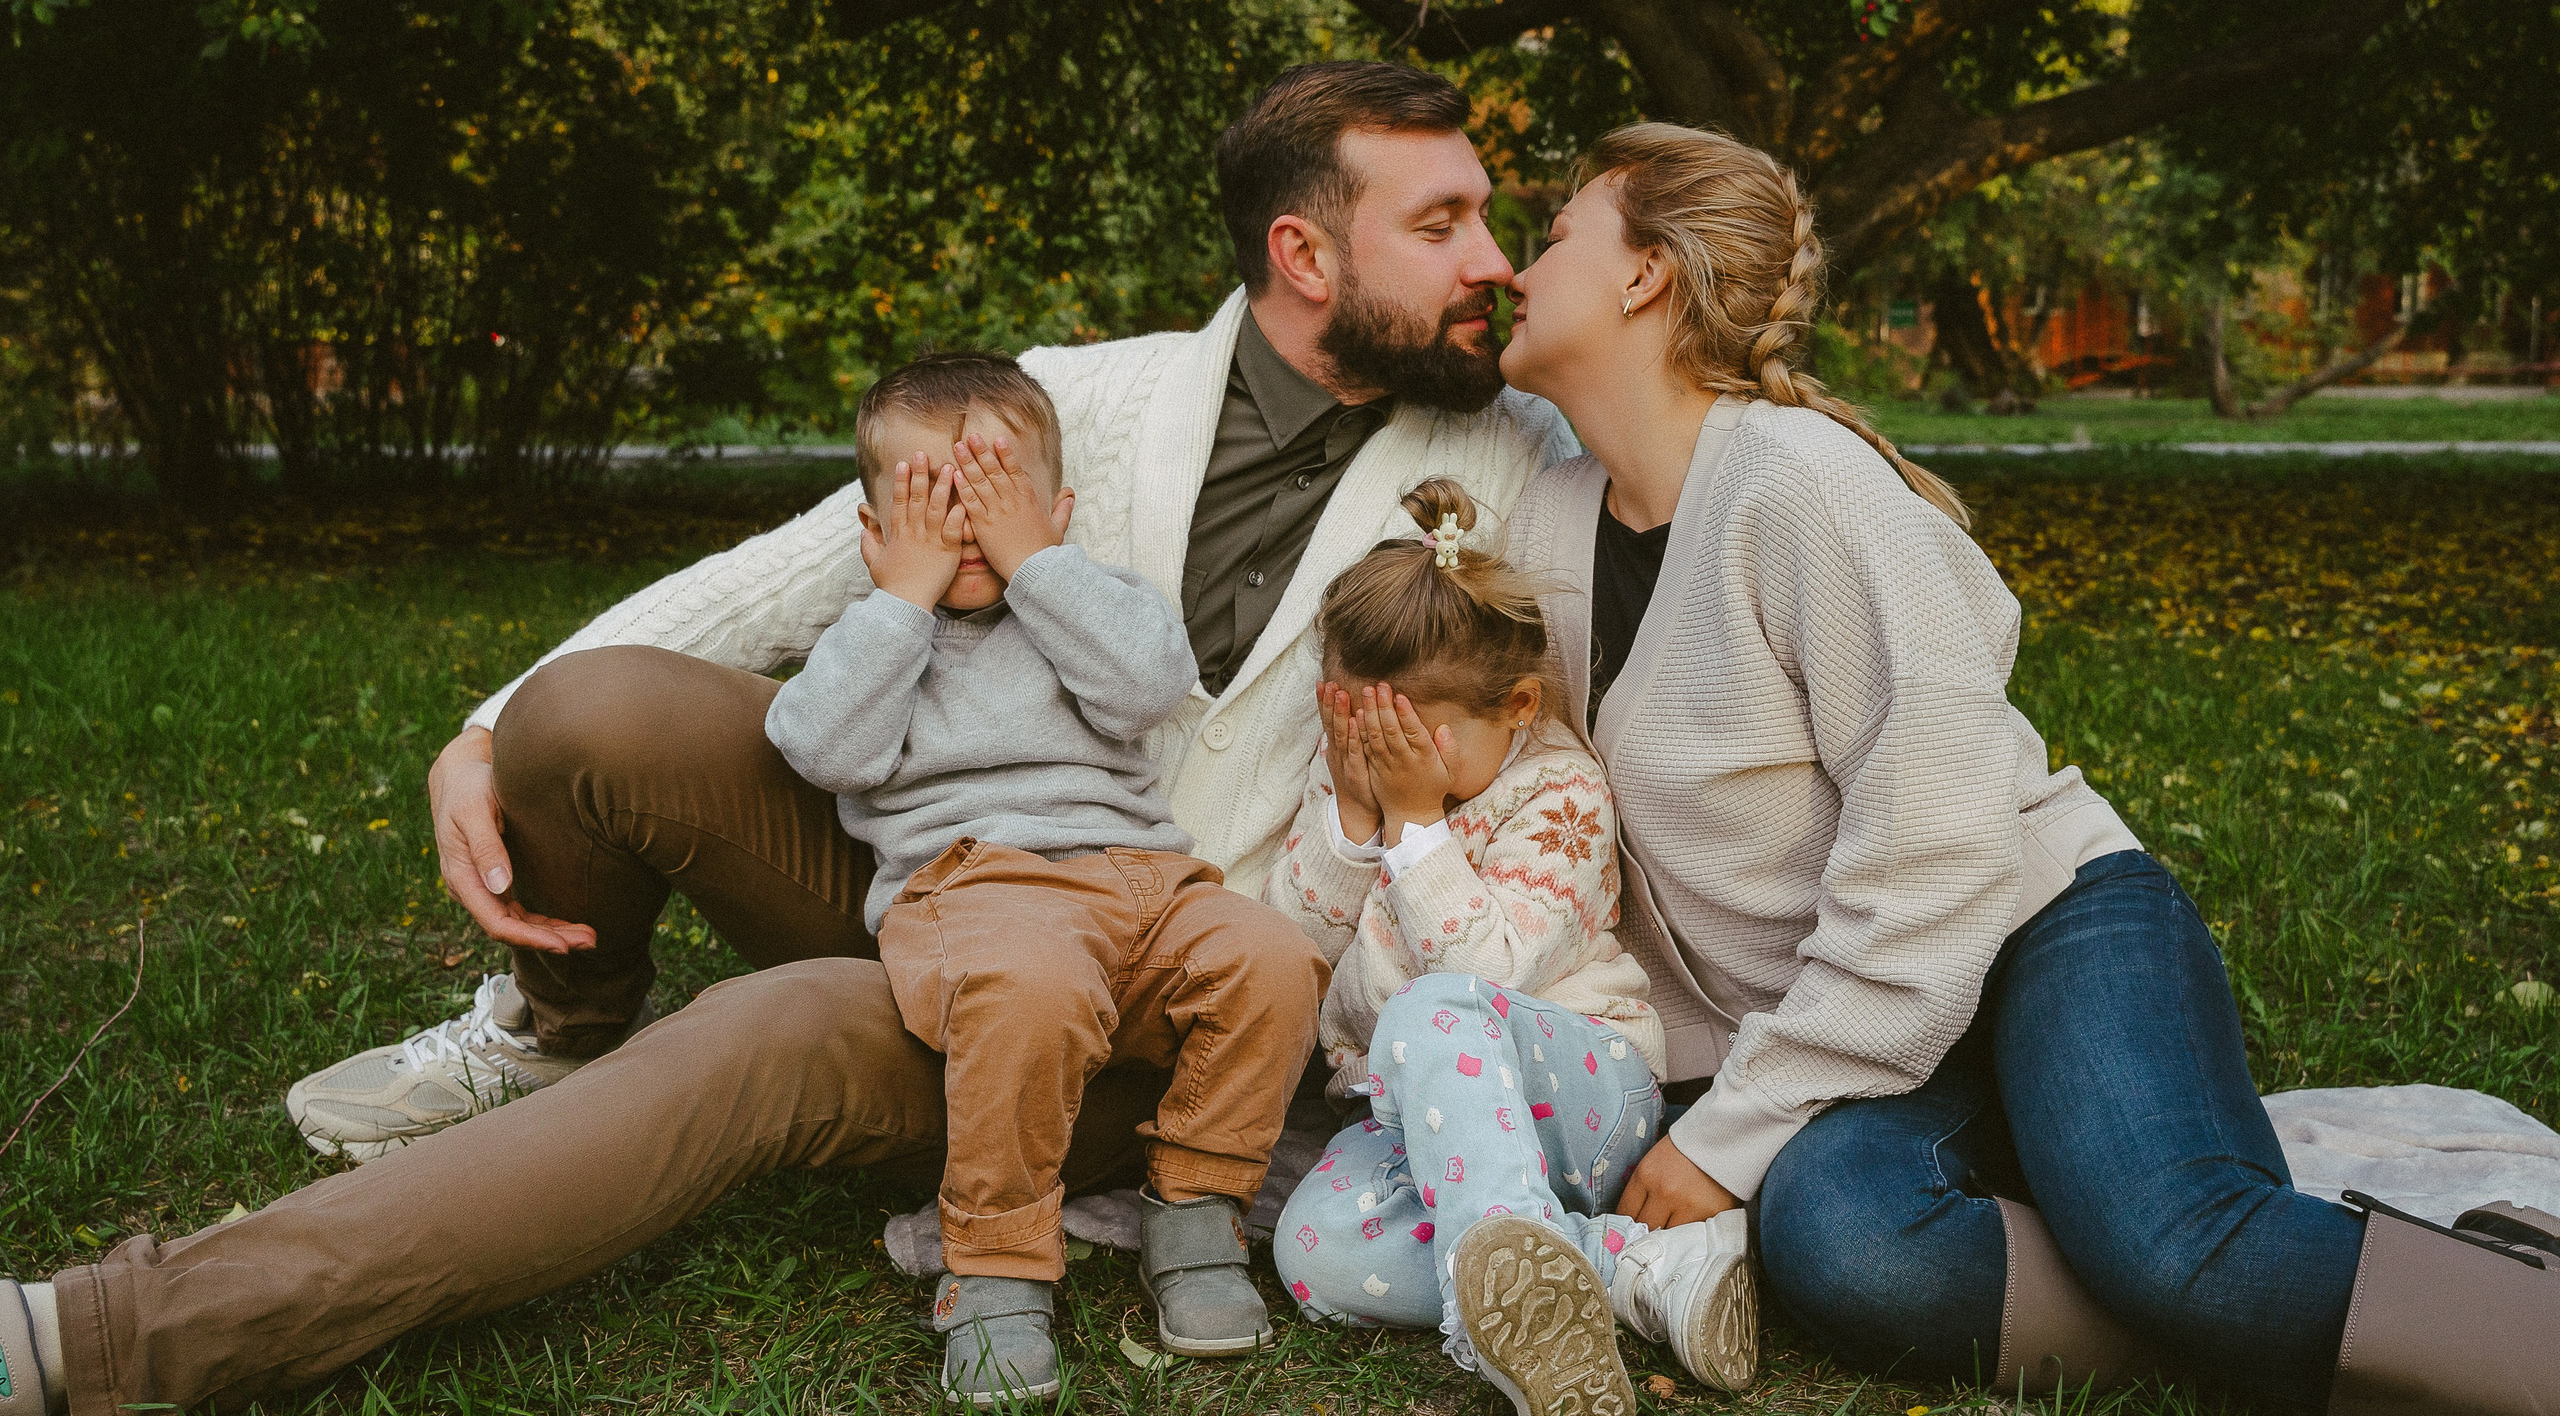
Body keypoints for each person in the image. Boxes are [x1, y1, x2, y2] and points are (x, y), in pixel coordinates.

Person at [0, 61, 1576, 1416]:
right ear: (1304, 250)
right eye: (1443, 223)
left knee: (749, 1043)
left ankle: (118, 1329)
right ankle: (558, 1018)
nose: (1491, 258)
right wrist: (480, 728)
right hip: (960, 873)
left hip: (1154, 990)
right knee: (589, 710)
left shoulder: (1507, 456)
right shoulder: (1079, 401)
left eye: (1489, 219)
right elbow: (781, 577)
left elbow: (1670, 513)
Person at [1489, 121, 2560, 1413]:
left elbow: (1939, 853)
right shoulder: (1548, 518)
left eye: (1553, 234)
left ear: (1644, 273)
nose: (1516, 265)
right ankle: (2322, 1315)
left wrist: (1729, 1130)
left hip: (2038, 925)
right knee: (1841, 1235)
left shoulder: (1799, 487)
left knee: (2175, 1240)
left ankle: (2500, 1312)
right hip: (1884, 1030)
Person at [763, 352, 1323, 1403]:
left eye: (992, 499)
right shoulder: (875, 637)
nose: (967, 530)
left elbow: (1148, 686)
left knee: (1276, 960)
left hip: (1146, 881)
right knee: (1034, 988)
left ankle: (1198, 1209)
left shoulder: (1091, 601)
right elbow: (826, 748)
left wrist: (1036, 565)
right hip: (976, 891)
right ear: (875, 533)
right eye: (933, 504)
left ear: (1054, 510)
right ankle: (996, 1262)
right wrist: (906, 598)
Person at [1262, 478, 1757, 1414]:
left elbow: (1481, 975)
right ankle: (1628, 1268)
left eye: (1417, 736)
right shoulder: (1356, 792)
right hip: (1426, 1131)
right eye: (1362, 730)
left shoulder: (1558, 790)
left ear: (1519, 704)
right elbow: (1290, 963)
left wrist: (1415, 826)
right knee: (1310, 1249)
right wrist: (1355, 819)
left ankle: (1520, 1286)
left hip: (1581, 1091)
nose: (1387, 754)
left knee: (1427, 1008)